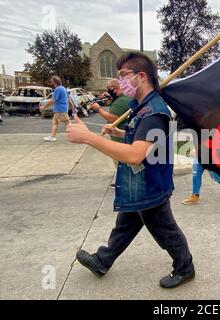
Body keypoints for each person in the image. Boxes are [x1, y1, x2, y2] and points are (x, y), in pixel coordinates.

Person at [67, 52, 195, 289]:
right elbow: (142, 139)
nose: (120, 81)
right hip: (139, 184)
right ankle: (102, 260)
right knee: (125, 225)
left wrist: (88, 138)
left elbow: (136, 155)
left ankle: (185, 268)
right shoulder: (142, 108)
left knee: (166, 232)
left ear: (141, 76)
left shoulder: (154, 112)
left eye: (124, 75)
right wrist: (120, 133)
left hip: (150, 186)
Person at [91, 79, 132, 144]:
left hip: (120, 140)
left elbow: (111, 118)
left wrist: (98, 109)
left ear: (115, 89)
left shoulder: (121, 101)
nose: (108, 91)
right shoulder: (126, 97)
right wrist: (110, 97)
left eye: (109, 89)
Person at [41, 76, 69, 142]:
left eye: (51, 81)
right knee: (56, 122)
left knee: (66, 123)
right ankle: (53, 136)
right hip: (63, 109)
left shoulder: (57, 89)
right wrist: (72, 106)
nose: (51, 82)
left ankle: (76, 135)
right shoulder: (63, 88)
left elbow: (53, 100)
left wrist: (44, 106)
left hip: (59, 110)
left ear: (54, 82)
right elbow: (68, 98)